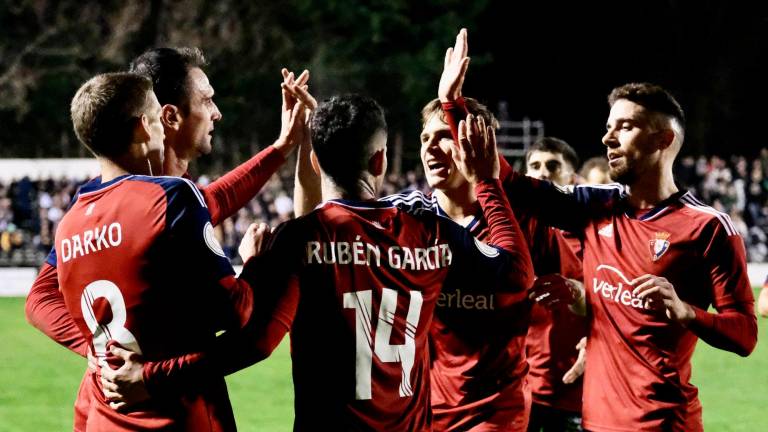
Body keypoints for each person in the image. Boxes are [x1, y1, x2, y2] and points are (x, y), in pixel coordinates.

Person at [103, 93, 533, 431]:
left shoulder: (300, 240)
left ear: (314, 160)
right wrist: (488, 181)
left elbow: (253, 342)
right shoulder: (429, 233)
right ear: (381, 160)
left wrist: (153, 377)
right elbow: (516, 274)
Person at [24, 47, 307, 430]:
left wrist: (104, 349)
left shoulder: (79, 214)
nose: (217, 112)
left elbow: (212, 201)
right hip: (179, 415)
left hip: (103, 413)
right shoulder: (170, 199)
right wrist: (259, 262)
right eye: (207, 100)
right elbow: (240, 320)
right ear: (161, 119)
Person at [513, 82, 758, 431]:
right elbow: (518, 189)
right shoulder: (597, 206)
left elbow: (746, 334)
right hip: (595, 422)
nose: (608, 138)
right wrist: (455, 109)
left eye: (625, 127)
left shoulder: (708, 228)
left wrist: (686, 311)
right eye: (609, 127)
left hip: (663, 423)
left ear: (663, 139)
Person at [523, 137, 588, 432]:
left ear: (572, 177)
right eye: (534, 166)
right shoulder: (511, 238)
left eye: (552, 165)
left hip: (576, 392)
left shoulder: (597, 241)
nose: (543, 172)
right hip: (523, 388)